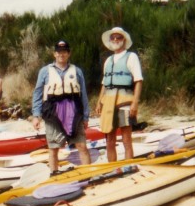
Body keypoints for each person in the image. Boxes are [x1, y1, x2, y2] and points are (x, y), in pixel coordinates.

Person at [32, 40, 91, 173]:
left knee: (81, 145)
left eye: (64, 52)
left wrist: (86, 116)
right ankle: (54, 174)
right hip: (53, 112)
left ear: (68, 53)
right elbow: (37, 93)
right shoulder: (45, 71)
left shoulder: (77, 71)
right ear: (54, 54)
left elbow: (84, 95)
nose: (61, 54)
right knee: (53, 148)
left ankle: (89, 174)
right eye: (58, 52)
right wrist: (36, 116)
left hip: (74, 111)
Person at [95, 27, 143, 161]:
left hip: (125, 100)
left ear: (124, 40)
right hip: (108, 101)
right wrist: (99, 102)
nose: (115, 40)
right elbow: (104, 83)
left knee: (126, 139)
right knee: (109, 140)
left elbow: (138, 81)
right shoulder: (108, 60)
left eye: (119, 37)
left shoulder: (131, 57)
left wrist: (135, 103)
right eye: (113, 37)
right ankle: (113, 170)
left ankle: (129, 167)